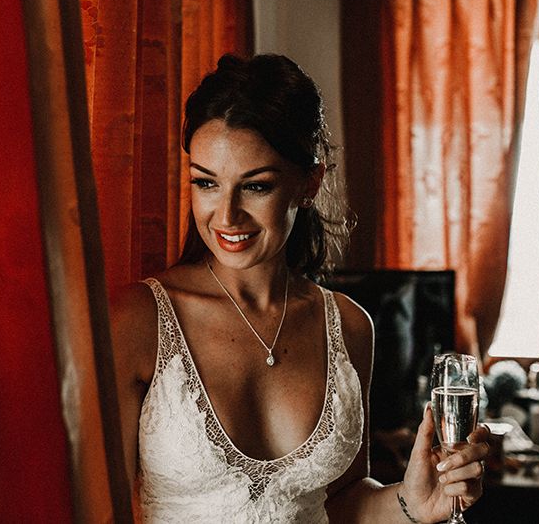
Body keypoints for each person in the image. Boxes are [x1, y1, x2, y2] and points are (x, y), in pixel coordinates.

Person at [112, 53, 489, 523]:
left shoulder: (349, 326)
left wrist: (411, 502)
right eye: (206, 183)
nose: (226, 216)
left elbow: (342, 504)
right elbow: (93, 509)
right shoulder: (137, 321)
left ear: (309, 183)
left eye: (256, 187)